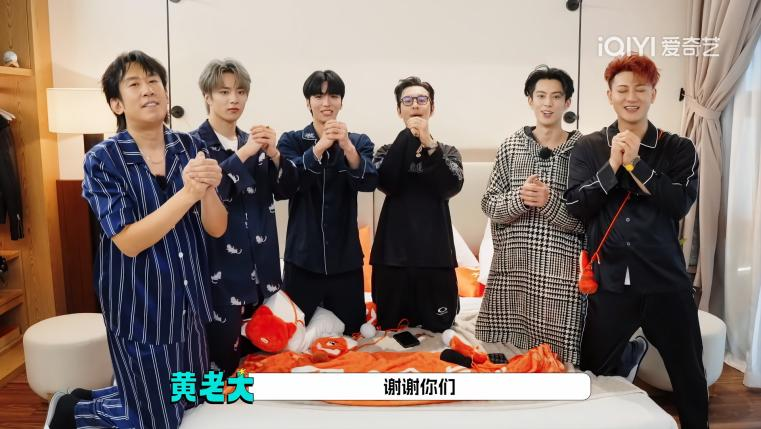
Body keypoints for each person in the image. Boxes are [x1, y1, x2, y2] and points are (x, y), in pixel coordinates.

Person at [46, 50, 227, 429]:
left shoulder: (188, 146)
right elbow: (129, 241)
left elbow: (217, 228)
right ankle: (73, 411)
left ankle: (104, 396)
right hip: (139, 305)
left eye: (154, 81)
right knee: (157, 419)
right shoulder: (103, 160)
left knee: (189, 396)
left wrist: (209, 189)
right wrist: (188, 194)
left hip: (188, 301)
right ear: (117, 103)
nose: (148, 90)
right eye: (134, 84)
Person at [564, 54, 707, 428]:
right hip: (610, 282)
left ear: (653, 94)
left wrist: (636, 163)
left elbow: (678, 203)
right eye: (623, 89)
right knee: (592, 372)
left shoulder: (678, 147)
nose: (631, 97)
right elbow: (577, 206)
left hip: (665, 281)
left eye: (640, 89)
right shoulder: (589, 146)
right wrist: (612, 164)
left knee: (689, 374)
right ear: (609, 95)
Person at [190, 59, 298, 377]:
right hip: (221, 276)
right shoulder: (193, 145)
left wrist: (275, 153)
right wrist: (245, 153)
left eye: (240, 91)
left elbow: (288, 189)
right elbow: (212, 193)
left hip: (263, 272)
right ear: (207, 96)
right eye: (223, 92)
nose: (233, 99)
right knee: (222, 368)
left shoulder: (256, 144)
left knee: (261, 363)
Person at [476, 66, 585, 365]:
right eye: (541, 96)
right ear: (530, 100)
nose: (548, 103)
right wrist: (520, 198)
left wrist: (549, 202)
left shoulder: (584, 150)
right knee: (502, 356)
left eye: (556, 96)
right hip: (513, 271)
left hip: (559, 276)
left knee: (558, 362)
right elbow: (489, 205)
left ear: (567, 102)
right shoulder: (510, 146)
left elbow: (586, 220)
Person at [277, 70, 378, 334]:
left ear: (341, 102)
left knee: (353, 332)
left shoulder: (359, 142)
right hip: (302, 259)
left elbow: (368, 182)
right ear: (307, 102)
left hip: (346, 259)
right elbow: (286, 185)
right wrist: (319, 147)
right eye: (318, 96)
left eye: (333, 96)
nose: (326, 103)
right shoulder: (291, 140)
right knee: (292, 333)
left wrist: (347, 147)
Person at [370, 76, 463, 332]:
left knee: (440, 325)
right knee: (389, 326)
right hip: (392, 258)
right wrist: (407, 138)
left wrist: (429, 144)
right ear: (398, 110)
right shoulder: (386, 151)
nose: (415, 105)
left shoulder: (448, 151)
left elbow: (450, 186)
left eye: (422, 99)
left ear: (432, 107)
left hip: (436, 257)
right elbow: (386, 183)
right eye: (408, 100)